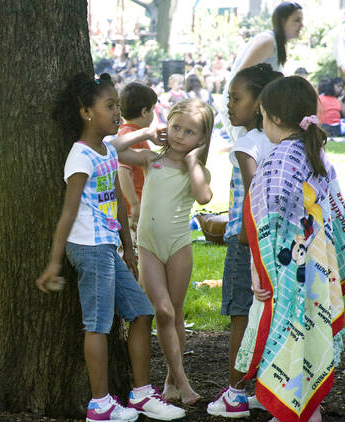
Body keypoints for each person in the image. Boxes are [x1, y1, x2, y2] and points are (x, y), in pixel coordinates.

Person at [36, 72, 185, 422]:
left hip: (107, 247)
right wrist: (54, 263)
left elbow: (117, 198)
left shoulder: (106, 149)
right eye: (109, 106)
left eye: (117, 105)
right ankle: (100, 405)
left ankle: (142, 394)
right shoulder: (80, 157)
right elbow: (68, 213)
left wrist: (128, 247)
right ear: (87, 112)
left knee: (142, 311)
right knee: (98, 326)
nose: (117, 112)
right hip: (89, 248)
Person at [235, 75, 345, 422]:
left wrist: (259, 270)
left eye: (262, 116)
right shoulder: (315, 153)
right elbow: (335, 219)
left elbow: (269, 228)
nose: (262, 124)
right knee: (309, 347)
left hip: (288, 281)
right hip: (317, 279)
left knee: (291, 347)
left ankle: (293, 410)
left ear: (276, 118)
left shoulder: (278, 160)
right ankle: (308, 409)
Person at [114, 98, 214, 405]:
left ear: (201, 139)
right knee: (164, 311)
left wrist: (194, 162)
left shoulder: (196, 170)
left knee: (176, 313)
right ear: (166, 126)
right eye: (176, 127)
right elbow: (113, 149)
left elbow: (205, 197)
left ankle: (172, 380)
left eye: (190, 132)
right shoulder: (149, 159)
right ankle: (183, 382)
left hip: (178, 246)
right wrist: (146, 133)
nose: (180, 135)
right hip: (149, 247)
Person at [205, 63, 283, 418]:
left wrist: (247, 238)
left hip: (244, 244)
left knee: (241, 317)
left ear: (259, 104)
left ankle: (235, 393)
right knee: (270, 318)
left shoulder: (246, 144)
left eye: (236, 98)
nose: (229, 105)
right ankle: (269, 390)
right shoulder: (283, 141)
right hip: (276, 243)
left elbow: (255, 195)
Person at [220, 2, 303, 143]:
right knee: (250, 156)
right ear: (282, 21)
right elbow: (240, 79)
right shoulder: (268, 41)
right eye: (297, 20)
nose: (301, 25)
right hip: (242, 110)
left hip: (254, 111)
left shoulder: (277, 44)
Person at [116, 82, 156, 233]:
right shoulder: (131, 136)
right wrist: (134, 203)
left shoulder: (131, 133)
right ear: (145, 111)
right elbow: (122, 171)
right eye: (153, 109)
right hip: (131, 211)